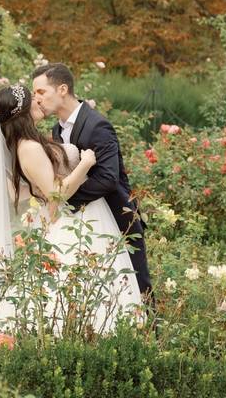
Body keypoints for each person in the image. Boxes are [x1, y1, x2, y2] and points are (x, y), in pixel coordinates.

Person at [0, 83, 144, 335]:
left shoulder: (34, 140)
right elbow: (57, 193)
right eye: (33, 98)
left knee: (96, 283)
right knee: (83, 284)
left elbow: (42, 189)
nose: (38, 100)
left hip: (87, 215)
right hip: (74, 220)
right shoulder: (29, 147)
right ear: (23, 112)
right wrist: (85, 164)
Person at [31, 63, 153, 302]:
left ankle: (153, 336)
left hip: (119, 219)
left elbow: (108, 178)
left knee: (138, 289)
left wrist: (63, 197)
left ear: (62, 89)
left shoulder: (97, 125)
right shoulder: (57, 130)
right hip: (86, 223)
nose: (36, 99)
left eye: (41, 92)